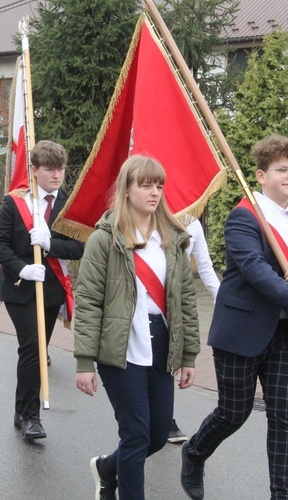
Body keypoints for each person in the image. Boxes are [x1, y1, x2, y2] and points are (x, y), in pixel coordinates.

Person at [181, 135, 288, 500]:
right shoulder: (244, 216)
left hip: (284, 334)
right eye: (282, 170)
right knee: (234, 412)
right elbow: (254, 269)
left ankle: (283, 494)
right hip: (242, 328)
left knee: (284, 415)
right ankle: (195, 452)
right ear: (261, 176)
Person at [74, 155, 200, 500]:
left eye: (158, 185)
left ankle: (106, 468)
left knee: (157, 435)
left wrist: (188, 355)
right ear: (126, 189)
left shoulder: (173, 238)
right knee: (136, 435)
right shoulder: (105, 239)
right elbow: (87, 301)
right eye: (145, 185)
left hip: (160, 344)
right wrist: (85, 362)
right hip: (120, 346)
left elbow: (185, 300)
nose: (154, 192)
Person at [0, 140, 84, 441]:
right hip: (20, 289)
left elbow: (80, 246)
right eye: (49, 169)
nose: (56, 175)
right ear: (35, 171)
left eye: (60, 169)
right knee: (32, 346)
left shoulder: (69, 204)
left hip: (52, 288)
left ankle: (21, 411)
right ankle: (32, 417)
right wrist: (22, 268)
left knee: (37, 350)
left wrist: (50, 244)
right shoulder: (16, 202)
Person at [169, 215, 220, 444]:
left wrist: (221, 299)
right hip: (150, 298)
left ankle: (165, 418)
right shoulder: (155, 214)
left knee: (170, 354)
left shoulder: (194, 223)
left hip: (177, 299)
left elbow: (205, 266)